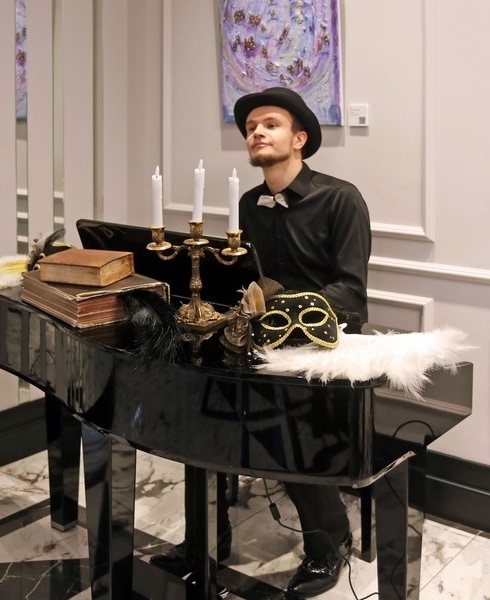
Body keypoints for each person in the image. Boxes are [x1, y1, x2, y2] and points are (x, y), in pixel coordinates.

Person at [151, 87, 371, 599]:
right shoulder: (247, 204)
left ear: (300, 138)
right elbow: (239, 280)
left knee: (284, 414)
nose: (256, 132)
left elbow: (351, 291)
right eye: (251, 127)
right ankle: (206, 537)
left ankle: (329, 540)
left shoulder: (341, 198)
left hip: (324, 342)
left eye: (270, 124)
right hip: (258, 338)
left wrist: (282, 315)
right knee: (197, 405)